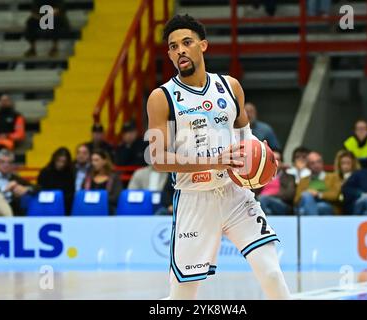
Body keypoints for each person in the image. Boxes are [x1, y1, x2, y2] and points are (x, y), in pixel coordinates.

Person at [146, 14, 290, 300]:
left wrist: (262, 161)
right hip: (194, 198)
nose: (180, 51)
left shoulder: (230, 86)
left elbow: (246, 140)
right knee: (183, 295)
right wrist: (214, 161)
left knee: (272, 273)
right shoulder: (162, 97)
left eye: (186, 43)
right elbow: (157, 157)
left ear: (203, 45)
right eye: (173, 47)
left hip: (236, 194)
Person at [37, 147, 76, 214]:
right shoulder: (45, 172)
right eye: (58, 161)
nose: (60, 164)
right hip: (46, 204)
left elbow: (71, 193)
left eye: (63, 162)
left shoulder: (70, 173)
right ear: (54, 159)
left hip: (64, 206)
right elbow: (40, 189)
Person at [82, 150, 122, 214]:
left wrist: (99, 198)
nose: (93, 163)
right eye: (92, 160)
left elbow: (116, 197)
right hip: (89, 209)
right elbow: (82, 195)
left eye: (96, 160)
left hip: (107, 210)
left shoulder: (114, 178)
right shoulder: (88, 178)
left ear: (104, 161)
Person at [259, 150, 296, 215]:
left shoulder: (289, 177)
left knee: (263, 198)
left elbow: (289, 195)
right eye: (272, 159)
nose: (275, 162)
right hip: (262, 203)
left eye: (278, 160)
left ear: (282, 163)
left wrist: (269, 196)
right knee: (267, 210)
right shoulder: (261, 175)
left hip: (281, 204)